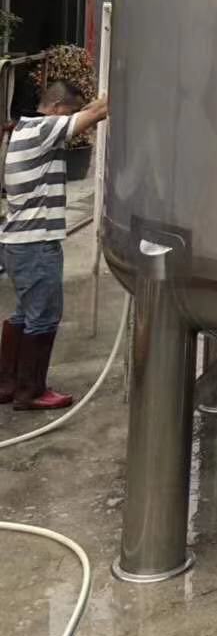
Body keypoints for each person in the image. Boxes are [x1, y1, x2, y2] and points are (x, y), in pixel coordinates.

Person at [0, 80, 108, 411]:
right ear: (58, 108)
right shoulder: (44, 130)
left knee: (24, 314)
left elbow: (91, 111)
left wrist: (92, 105)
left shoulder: (25, 128)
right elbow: (98, 114)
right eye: (70, 113)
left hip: (18, 243)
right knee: (44, 317)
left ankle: (7, 383)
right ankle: (31, 391)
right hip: (36, 244)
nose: (73, 122)